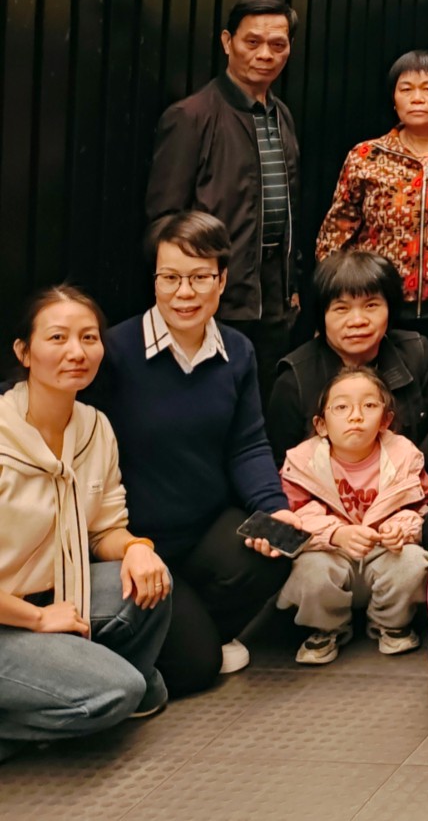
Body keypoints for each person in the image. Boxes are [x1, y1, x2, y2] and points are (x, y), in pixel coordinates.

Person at [88, 213, 287, 692]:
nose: (184, 293)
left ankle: (188, 625)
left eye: (199, 278)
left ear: (222, 280)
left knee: (275, 550)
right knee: (197, 668)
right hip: (131, 543)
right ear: (154, 280)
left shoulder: (237, 351)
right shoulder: (114, 351)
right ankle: (172, 640)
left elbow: (248, 444)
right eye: (170, 278)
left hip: (203, 533)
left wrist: (276, 509)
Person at [0, 288, 172, 760]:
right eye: (57, 337)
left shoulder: (94, 428)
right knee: (119, 691)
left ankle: (72, 696)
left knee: (153, 583)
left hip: (52, 593)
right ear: (24, 352)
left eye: (89, 338)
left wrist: (136, 548)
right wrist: (37, 619)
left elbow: (104, 529)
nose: (76, 352)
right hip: (12, 612)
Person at [146, 0, 301, 394]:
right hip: (215, 294)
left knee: (263, 398)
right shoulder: (191, 116)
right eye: (252, 42)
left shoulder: (280, 114)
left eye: (278, 44)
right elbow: (165, 221)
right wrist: (194, 284)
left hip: (273, 293)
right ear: (227, 42)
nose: (265, 54)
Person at [316, 50, 428, 368]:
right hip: (379, 308)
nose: (417, 98)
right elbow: (336, 235)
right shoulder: (366, 155)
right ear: (394, 99)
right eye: (406, 89)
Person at [270, 365, 428, 664]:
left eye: (369, 406)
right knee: (309, 570)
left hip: (384, 553)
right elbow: (291, 517)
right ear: (321, 424)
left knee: (414, 562)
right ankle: (326, 628)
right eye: (342, 407)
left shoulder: (404, 456)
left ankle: (389, 623)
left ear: (386, 420)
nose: (355, 416)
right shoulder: (302, 463)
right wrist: (335, 534)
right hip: (328, 552)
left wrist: (400, 529)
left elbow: (423, 506)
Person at [265, 253, 428, 460]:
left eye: (371, 306)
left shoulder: (418, 353)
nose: (357, 320)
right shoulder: (295, 380)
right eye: (341, 309)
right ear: (321, 315)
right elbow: (281, 461)